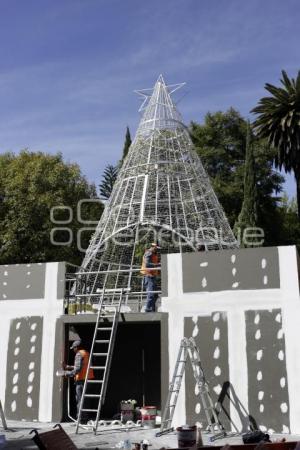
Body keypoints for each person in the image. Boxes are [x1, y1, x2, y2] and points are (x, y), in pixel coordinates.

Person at [65, 339, 94, 422]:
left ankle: (80, 419)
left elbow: (78, 369)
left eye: (73, 348)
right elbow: (83, 366)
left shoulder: (79, 354)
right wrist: (69, 367)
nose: (73, 350)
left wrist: (68, 373)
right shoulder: (87, 353)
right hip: (89, 379)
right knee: (86, 399)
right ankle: (85, 418)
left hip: (81, 380)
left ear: (76, 347)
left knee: (80, 400)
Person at [140, 243, 160, 312]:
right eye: (156, 248)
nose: (157, 250)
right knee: (151, 294)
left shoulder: (154, 254)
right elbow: (147, 264)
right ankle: (148, 309)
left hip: (153, 276)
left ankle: (152, 309)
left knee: (155, 295)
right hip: (149, 276)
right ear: (153, 247)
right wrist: (158, 265)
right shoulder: (148, 253)